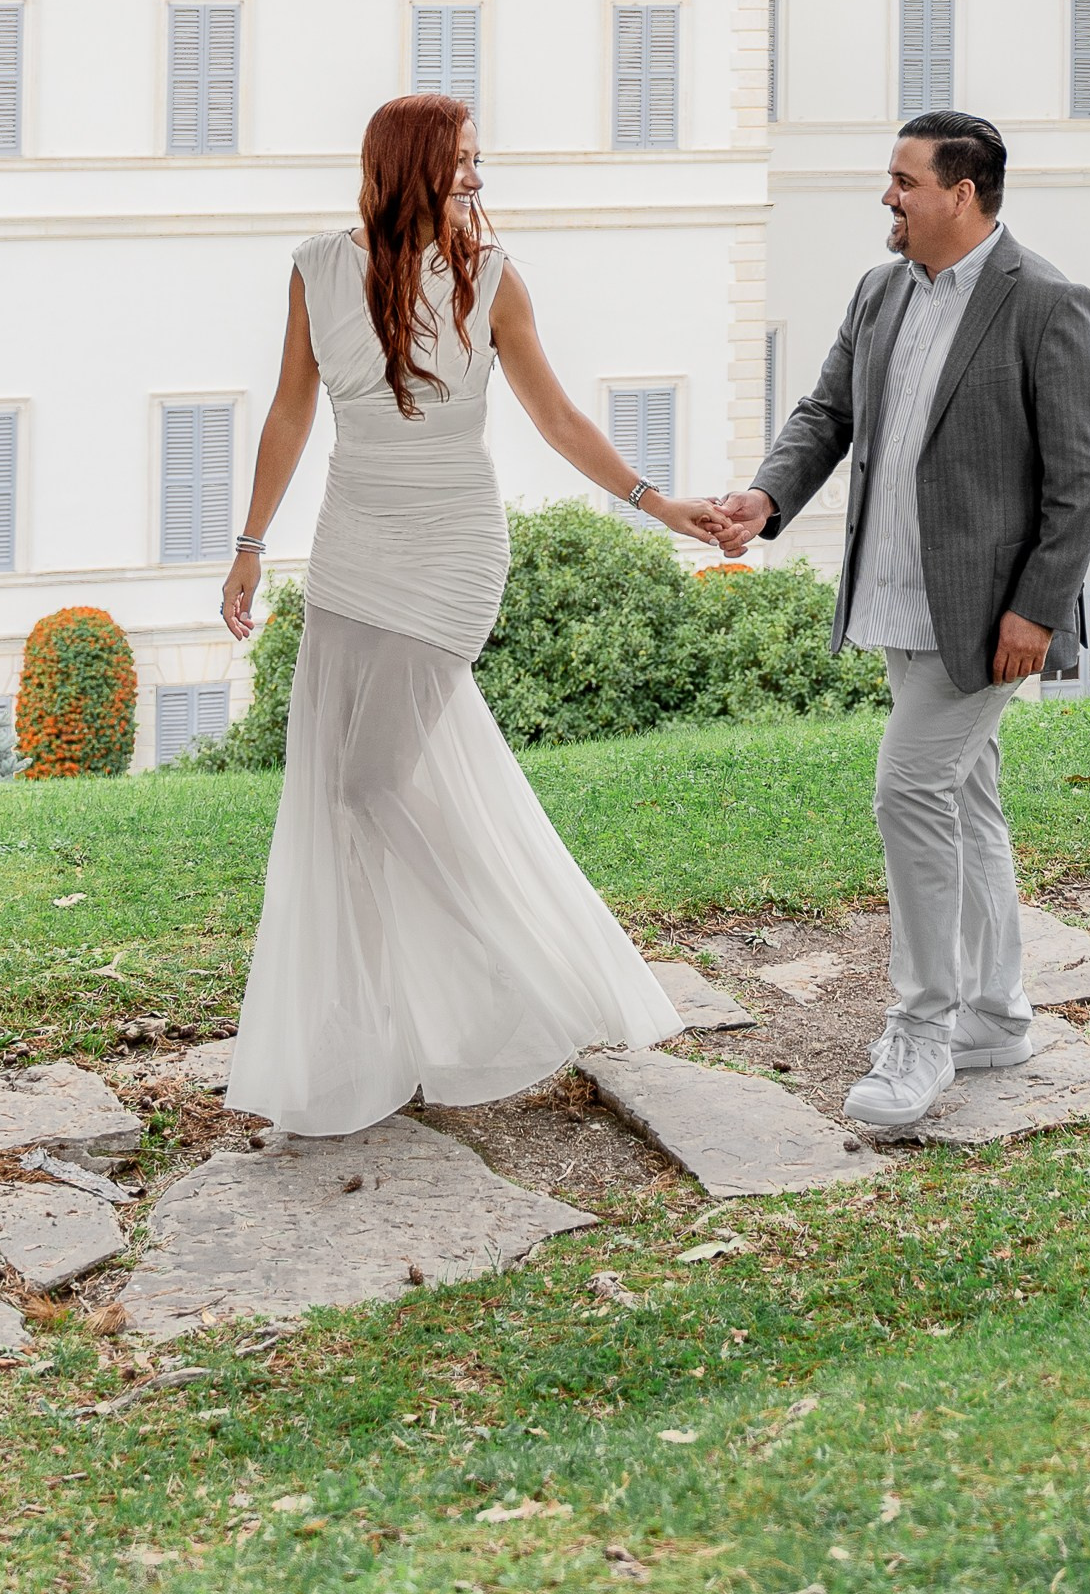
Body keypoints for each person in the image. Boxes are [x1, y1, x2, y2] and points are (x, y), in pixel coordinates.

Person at [220, 92, 722, 1132]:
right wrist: (251, 544)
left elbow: (555, 416)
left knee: (367, 784)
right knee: (334, 790)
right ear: (405, 167)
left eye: (479, 163)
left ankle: (533, 974)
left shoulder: (492, 280)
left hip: (450, 551)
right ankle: (371, 1034)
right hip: (351, 546)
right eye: (460, 163)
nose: (477, 181)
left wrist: (655, 502)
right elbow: (289, 409)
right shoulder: (317, 267)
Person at [711, 110, 1090, 1136]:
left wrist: (1034, 608)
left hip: (986, 620)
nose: (886, 197)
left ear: (961, 194)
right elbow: (826, 415)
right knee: (964, 800)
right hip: (894, 599)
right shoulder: (878, 292)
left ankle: (923, 1031)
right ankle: (994, 1012)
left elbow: (1083, 478)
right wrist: (765, 499)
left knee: (908, 792)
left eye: (902, 181)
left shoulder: (1047, 304)